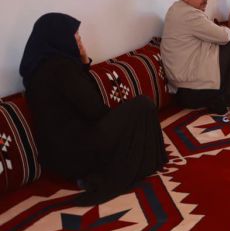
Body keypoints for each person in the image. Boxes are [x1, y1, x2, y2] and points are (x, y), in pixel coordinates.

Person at [19, 13, 167, 205]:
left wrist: (83, 63)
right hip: (78, 151)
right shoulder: (62, 69)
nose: (80, 41)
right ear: (59, 39)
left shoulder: (38, 70)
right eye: (75, 37)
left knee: (129, 113)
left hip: (57, 157)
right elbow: (94, 110)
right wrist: (120, 126)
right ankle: (141, 163)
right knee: (142, 105)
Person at [161, 0, 230, 114]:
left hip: (185, 87)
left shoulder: (176, 9)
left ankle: (229, 93)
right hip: (191, 90)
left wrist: (220, 31)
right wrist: (225, 29)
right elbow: (224, 36)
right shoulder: (189, 14)